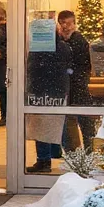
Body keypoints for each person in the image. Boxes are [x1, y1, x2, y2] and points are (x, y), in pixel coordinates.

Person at [26, 24, 73, 174]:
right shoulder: (64, 47)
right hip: (58, 92)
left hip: (42, 92)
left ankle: (44, 159)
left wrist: (31, 90)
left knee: (42, 126)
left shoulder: (36, 50)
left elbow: (32, 70)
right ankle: (69, 157)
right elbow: (69, 69)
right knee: (57, 124)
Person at [58, 10, 96, 152]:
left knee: (84, 122)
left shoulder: (79, 41)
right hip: (68, 87)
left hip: (79, 87)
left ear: (74, 23)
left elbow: (82, 65)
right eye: (62, 23)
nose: (65, 26)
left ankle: (88, 152)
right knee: (70, 122)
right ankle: (74, 154)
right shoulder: (61, 41)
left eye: (68, 23)